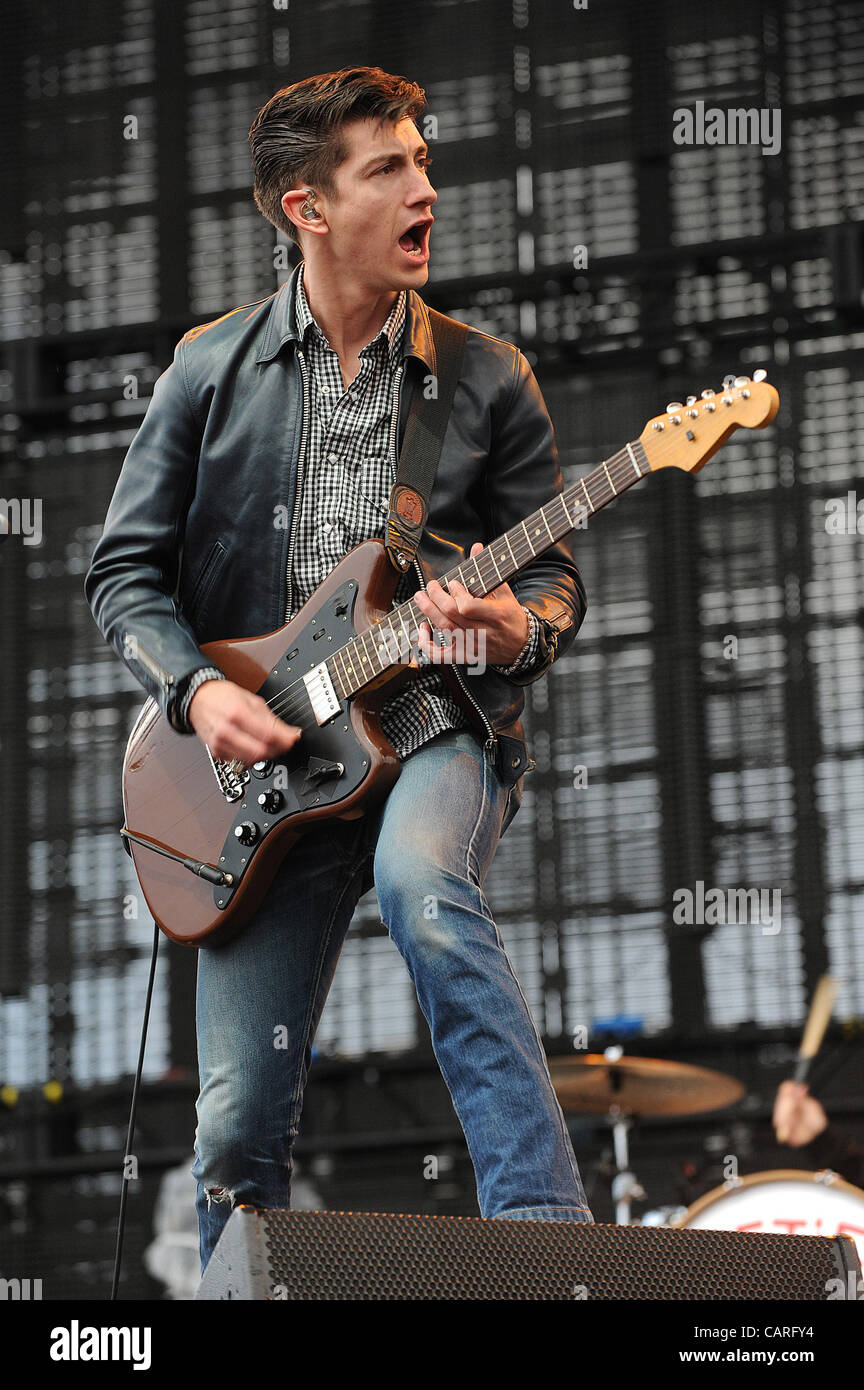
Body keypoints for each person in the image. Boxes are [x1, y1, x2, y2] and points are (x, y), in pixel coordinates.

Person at [85, 65, 592, 1273]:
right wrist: (201, 690)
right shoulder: (208, 368)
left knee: (429, 893)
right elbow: (123, 576)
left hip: (429, 720)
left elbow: (552, 581)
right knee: (233, 1128)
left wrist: (512, 629)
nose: (428, 186)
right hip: (261, 777)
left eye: (424, 160)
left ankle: (546, 1244)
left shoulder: (486, 374)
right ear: (308, 206)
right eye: (390, 168)